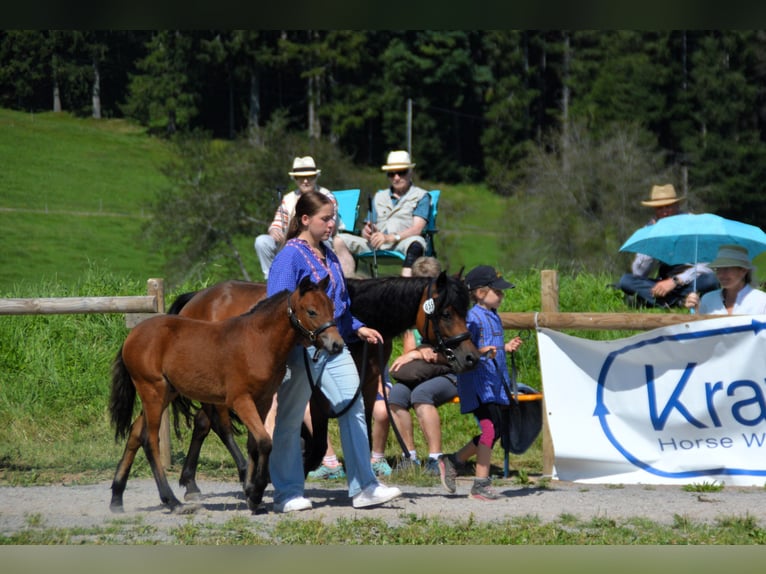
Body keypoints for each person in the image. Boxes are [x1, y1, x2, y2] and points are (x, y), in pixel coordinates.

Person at [266, 190, 401, 512]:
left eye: (333, 219)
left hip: (333, 345)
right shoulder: (290, 256)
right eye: (325, 219)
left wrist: (356, 326)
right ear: (305, 219)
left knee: (352, 406)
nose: (331, 225)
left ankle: (364, 487)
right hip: (300, 350)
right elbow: (276, 306)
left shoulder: (328, 253)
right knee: (289, 417)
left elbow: (336, 306)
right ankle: (287, 493)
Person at [438, 265, 522, 501]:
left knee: (493, 431)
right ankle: (480, 484)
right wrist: (483, 350)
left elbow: (491, 346)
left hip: (494, 383)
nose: (502, 295)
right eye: (498, 291)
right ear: (481, 292)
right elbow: (466, 347)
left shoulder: (493, 315)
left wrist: (505, 348)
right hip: (477, 383)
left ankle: (454, 461)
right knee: (490, 429)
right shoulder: (472, 318)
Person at [384, 256, 455, 476]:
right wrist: (417, 353)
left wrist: (432, 354)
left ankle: (435, 459)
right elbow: (409, 353)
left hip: (451, 372)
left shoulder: (450, 310)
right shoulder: (413, 313)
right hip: (423, 372)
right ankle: (410, 457)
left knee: (422, 395)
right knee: (395, 395)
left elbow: (457, 356)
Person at [617, 184, 718, 308]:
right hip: (663, 282)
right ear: (654, 210)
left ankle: (661, 302)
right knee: (626, 281)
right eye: (660, 208)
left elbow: (707, 266)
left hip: (691, 279)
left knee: (710, 280)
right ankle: (678, 302)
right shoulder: (651, 229)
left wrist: (675, 281)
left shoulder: (694, 224)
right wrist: (651, 240)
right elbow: (639, 272)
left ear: (677, 206)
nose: (665, 212)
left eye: (668, 207)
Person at [335, 150, 430, 277]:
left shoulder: (421, 196)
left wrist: (391, 237)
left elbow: (417, 229)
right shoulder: (379, 196)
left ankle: (406, 287)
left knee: (417, 243)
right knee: (339, 240)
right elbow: (367, 227)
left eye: (401, 172)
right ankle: (347, 284)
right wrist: (368, 231)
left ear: (410, 172)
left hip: (403, 242)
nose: (396, 177)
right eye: (391, 174)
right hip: (376, 243)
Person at [254, 156, 337, 280]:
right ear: (295, 179)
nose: (305, 181)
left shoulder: (326, 196)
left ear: (316, 177)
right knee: (262, 241)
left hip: (318, 241)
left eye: (309, 177)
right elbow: (278, 223)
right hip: (289, 241)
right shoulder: (288, 198)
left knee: (324, 242)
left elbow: (330, 225)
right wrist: (274, 230)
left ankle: (323, 279)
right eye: (300, 178)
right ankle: (272, 278)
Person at [684, 244, 766, 315]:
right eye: (718, 269)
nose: (721, 274)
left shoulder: (761, 300)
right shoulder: (708, 299)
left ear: (743, 270)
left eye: (727, 268)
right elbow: (700, 329)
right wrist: (696, 311)